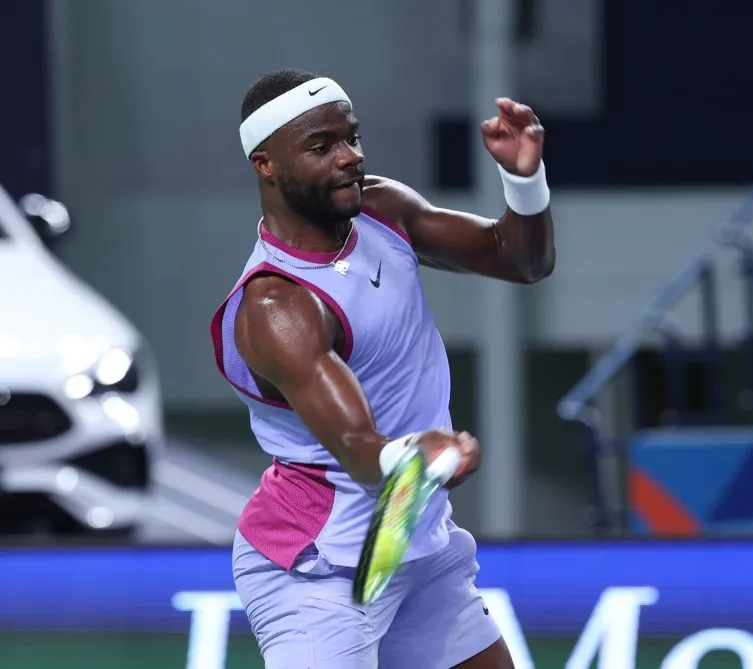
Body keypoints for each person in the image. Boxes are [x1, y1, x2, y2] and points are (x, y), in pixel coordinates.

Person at [210, 68, 555, 668]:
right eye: (322, 147)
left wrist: (524, 180)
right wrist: (417, 455)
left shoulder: (381, 209)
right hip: (319, 570)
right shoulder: (278, 307)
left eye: (352, 137)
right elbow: (360, 450)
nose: (350, 156)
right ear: (265, 164)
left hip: (412, 537)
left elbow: (520, 260)